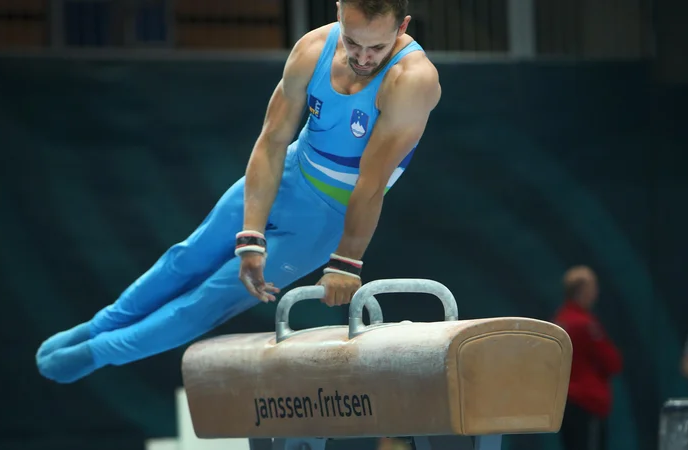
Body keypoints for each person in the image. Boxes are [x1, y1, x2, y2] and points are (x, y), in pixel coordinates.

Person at [35, 0, 441, 384]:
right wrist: (251, 235)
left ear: (402, 27)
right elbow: (272, 142)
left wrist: (346, 260)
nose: (363, 57)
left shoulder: (411, 80)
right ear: (337, 13)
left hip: (329, 218)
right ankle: (99, 326)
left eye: (377, 46)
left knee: (207, 299)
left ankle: (101, 351)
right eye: (352, 41)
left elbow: (371, 184)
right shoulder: (313, 49)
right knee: (184, 259)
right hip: (288, 173)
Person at [552, 265, 622, 450]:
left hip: (564, 403)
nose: (596, 293)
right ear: (582, 290)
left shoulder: (558, 322)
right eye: (593, 288)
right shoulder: (586, 325)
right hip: (587, 403)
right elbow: (613, 362)